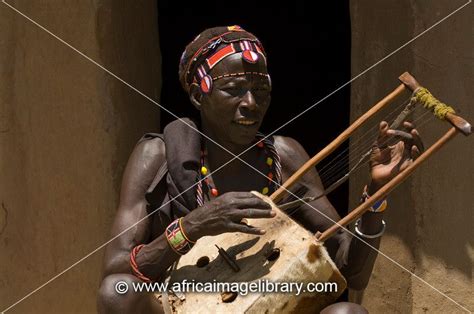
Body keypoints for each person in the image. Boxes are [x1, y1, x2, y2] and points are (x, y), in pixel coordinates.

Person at [97, 26, 424, 313]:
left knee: (346, 313)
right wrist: (194, 224)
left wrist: (377, 196)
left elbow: (351, 271)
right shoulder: (157, 155)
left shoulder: (284, 156)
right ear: (199, 95)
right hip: (181, 303)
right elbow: (116, 266)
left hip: (274, 303)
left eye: (261, 92)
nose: (251, 103)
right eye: (234, 90)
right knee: (118, 293)